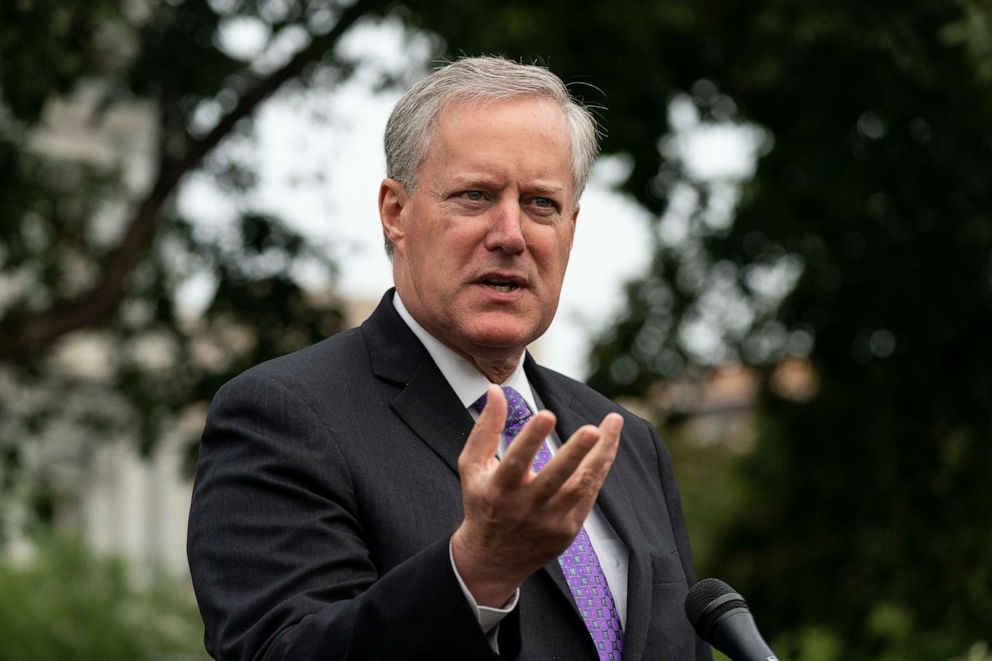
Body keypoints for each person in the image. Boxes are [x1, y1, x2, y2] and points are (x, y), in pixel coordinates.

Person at [187, 56, 712, 661]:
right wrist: (475, 573)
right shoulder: (283, 416)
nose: (511, 234)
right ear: (395, 212)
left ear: (572, 225)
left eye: (541, 204)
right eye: (475, 196)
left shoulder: (627, 443)